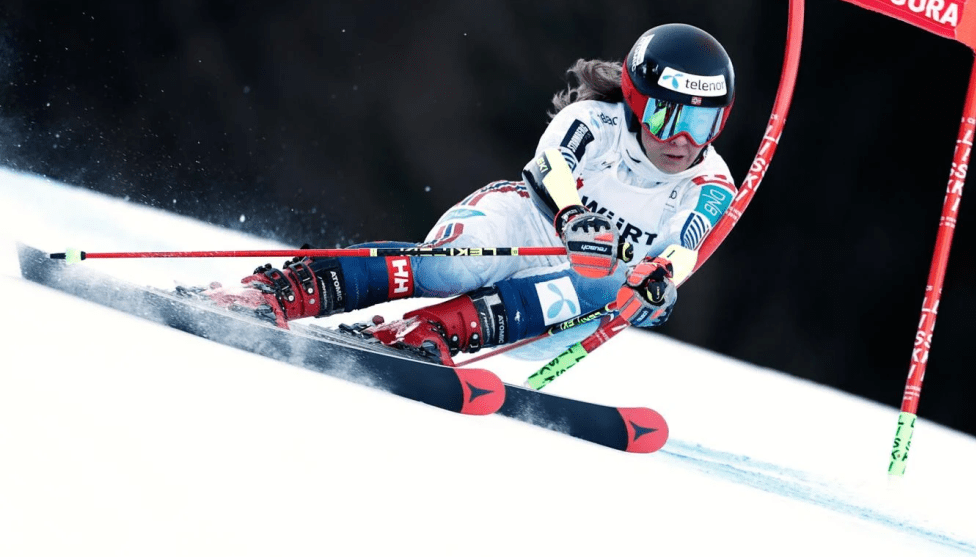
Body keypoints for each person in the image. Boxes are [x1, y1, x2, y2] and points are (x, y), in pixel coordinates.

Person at [204, 23, 738, 366]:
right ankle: (284, 290)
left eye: (703, 123)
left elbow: (686, 246)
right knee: (452, 267)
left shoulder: (711, 184)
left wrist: (658, 285)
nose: (682, 140)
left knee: (600, 286)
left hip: (570, 296)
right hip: (524, 224)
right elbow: (551, 167)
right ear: (638, 103)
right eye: (668, 117)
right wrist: (574, 217)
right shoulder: (595, 122)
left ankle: (427, 332)